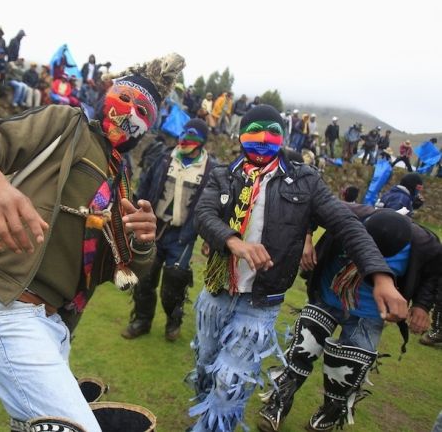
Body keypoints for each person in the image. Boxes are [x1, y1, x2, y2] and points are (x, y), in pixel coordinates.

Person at [0, 53, 185, 432]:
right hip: (5, 307)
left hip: (54, 326)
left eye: (143, 110)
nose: (129, 114)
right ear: (108, 93)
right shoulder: (67, 124)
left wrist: (141, 240)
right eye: (124, 99)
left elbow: (117, 271)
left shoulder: (120, 177)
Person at [188, 105, 407, 432]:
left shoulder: (305, 182)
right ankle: (206, 415)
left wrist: (381, 275)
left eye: (272, 132)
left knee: (229, 379)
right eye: (255, 132)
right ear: (240, 136)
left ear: (284, 136)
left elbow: (348, 223)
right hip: (218, 292)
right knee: (206, 368)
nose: (263, 140)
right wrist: (235, 242)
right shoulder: (224, 174)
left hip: (260, 304)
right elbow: (204, 215)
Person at [258, 207, 441, 432]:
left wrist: (422, 305)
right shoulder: (347, 214)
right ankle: (278, 404)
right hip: (327, 297)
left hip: (370, 314)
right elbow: (308, 207)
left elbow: (434, 273)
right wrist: (306, 239)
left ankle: (328, 415)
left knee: (347, 371)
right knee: (301, 351)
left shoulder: (425, 245)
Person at [121, 119, 214, 342]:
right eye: (183, 136)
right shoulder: (164, 159)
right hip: (154, 228)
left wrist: (210, 237)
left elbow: (213, 207)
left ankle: (173, 322)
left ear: (201, 142)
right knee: (144, 277)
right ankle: (142, 321)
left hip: (182, 235)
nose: (184, 141)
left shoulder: (210, 170)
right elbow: (144, 186)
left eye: (191, 137)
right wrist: (135, 213)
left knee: (174, 281)